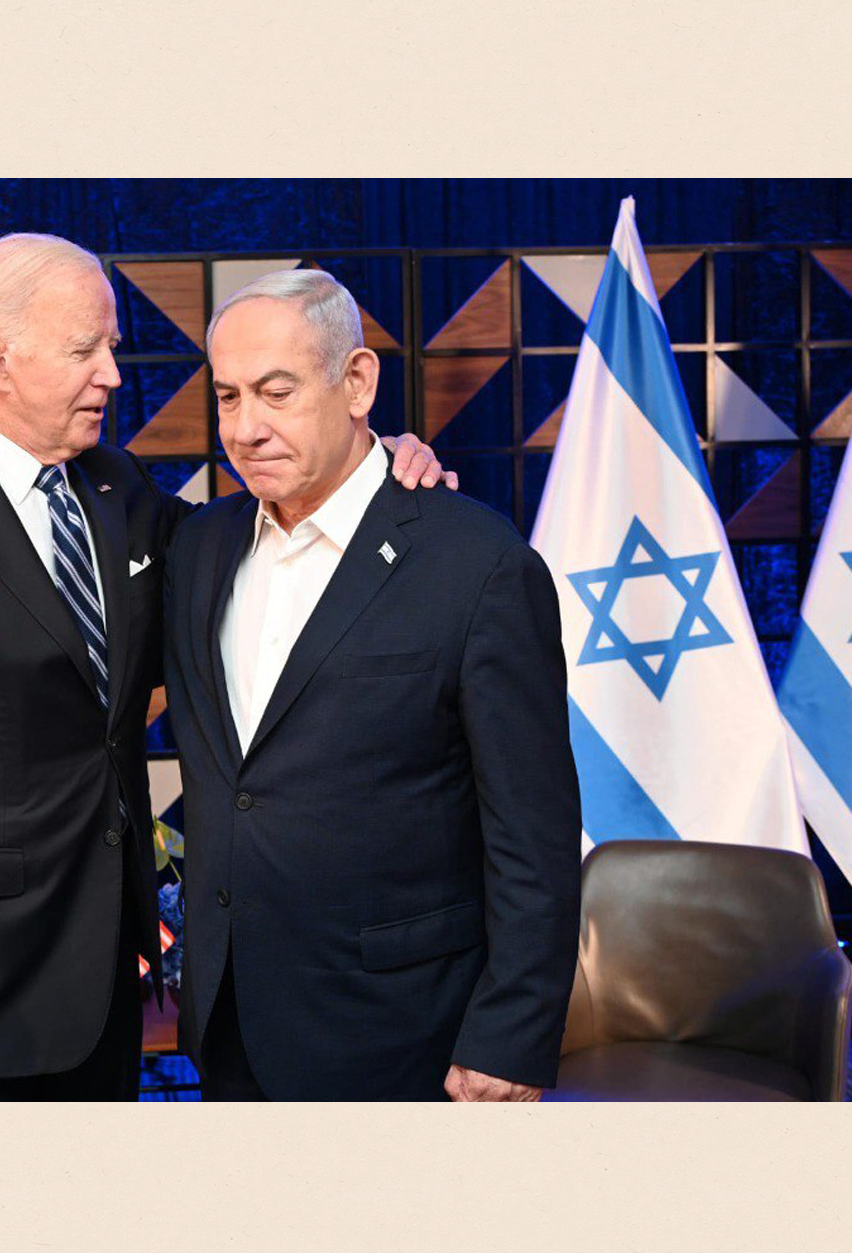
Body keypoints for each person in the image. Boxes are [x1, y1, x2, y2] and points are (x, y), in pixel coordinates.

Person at [0, 235, 452, 1101]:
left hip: (108, 982)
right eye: (86, 350)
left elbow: (248, 554)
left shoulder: (118, 491)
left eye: (109, 346)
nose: (113, 373)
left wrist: (371, 460)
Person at [164, 268, 582, 1101]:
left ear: (357, 383)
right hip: (229, 1022)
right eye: (229, 397)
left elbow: (532, 832)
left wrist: (512, 1035)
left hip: (402, 1030)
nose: (245, 429)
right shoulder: (198, 549)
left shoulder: (478, 565)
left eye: (276, 393)